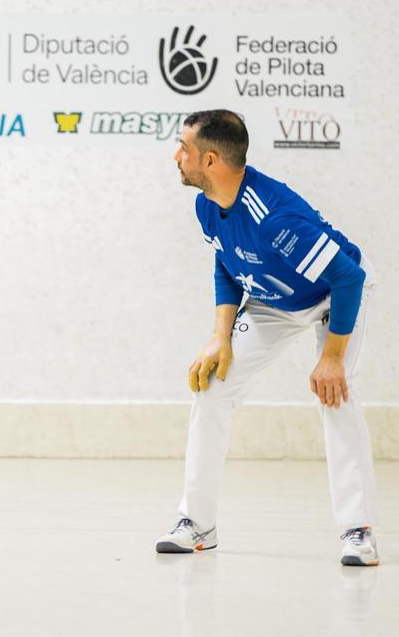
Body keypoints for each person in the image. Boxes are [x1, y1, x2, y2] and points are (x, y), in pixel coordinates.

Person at [158, 109, 379, 566]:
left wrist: (332, 357)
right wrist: (220, 336)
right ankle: (198, 524)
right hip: (272, 301)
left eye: (184, 148)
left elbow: (349, 278)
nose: (175, 155)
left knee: (334, 395)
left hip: (332, 298)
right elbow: (226, 261)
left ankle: (358, 531)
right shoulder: (207, 204)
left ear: (212, 160)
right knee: (212, 389)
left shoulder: (274, 218)